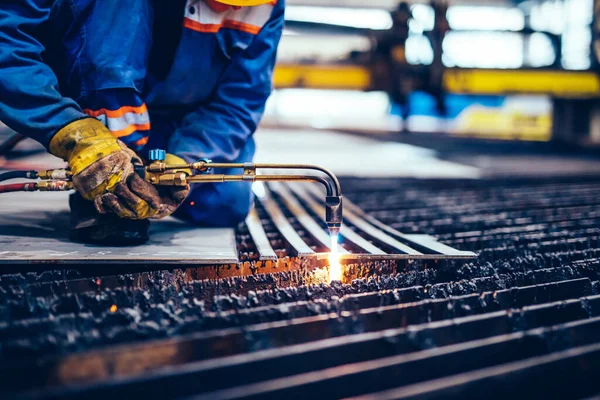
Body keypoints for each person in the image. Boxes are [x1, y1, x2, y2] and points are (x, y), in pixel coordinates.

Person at [0, 0, 285, 244]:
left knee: (225, 202)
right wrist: (67, 129)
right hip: (92, 97)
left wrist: (187, 159)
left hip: (178, 119)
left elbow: (239, 99)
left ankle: (137, 177)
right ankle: (106, 176)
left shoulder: (267, 5)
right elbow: (7, 46)